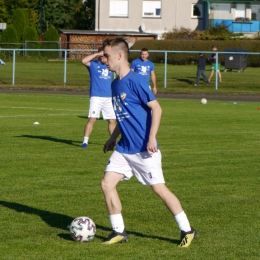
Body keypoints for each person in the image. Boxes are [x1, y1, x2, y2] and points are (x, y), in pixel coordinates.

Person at [100, 37, 197, 247]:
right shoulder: (115, 84)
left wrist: (152, 137)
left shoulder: (135, 81)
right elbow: (123, 115)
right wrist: (112, 138)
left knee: (159, 189)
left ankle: (187, 231)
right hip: (125, 148)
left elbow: (157, 108)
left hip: (144, 149)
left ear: (119, 56)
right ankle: (119, 231)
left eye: (106, 56)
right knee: (107, 184)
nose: (104, 60)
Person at [81, 47, 117, 149]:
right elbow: (83, 61)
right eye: (101, 57)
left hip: (108, 97)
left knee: (112, 120)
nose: (103, 59)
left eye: (104, 57)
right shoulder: (93, 65)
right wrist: (97, 54)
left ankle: (114, 141)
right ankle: (85, 142)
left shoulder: (110, 65)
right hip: (96, 96)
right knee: (92, 119)